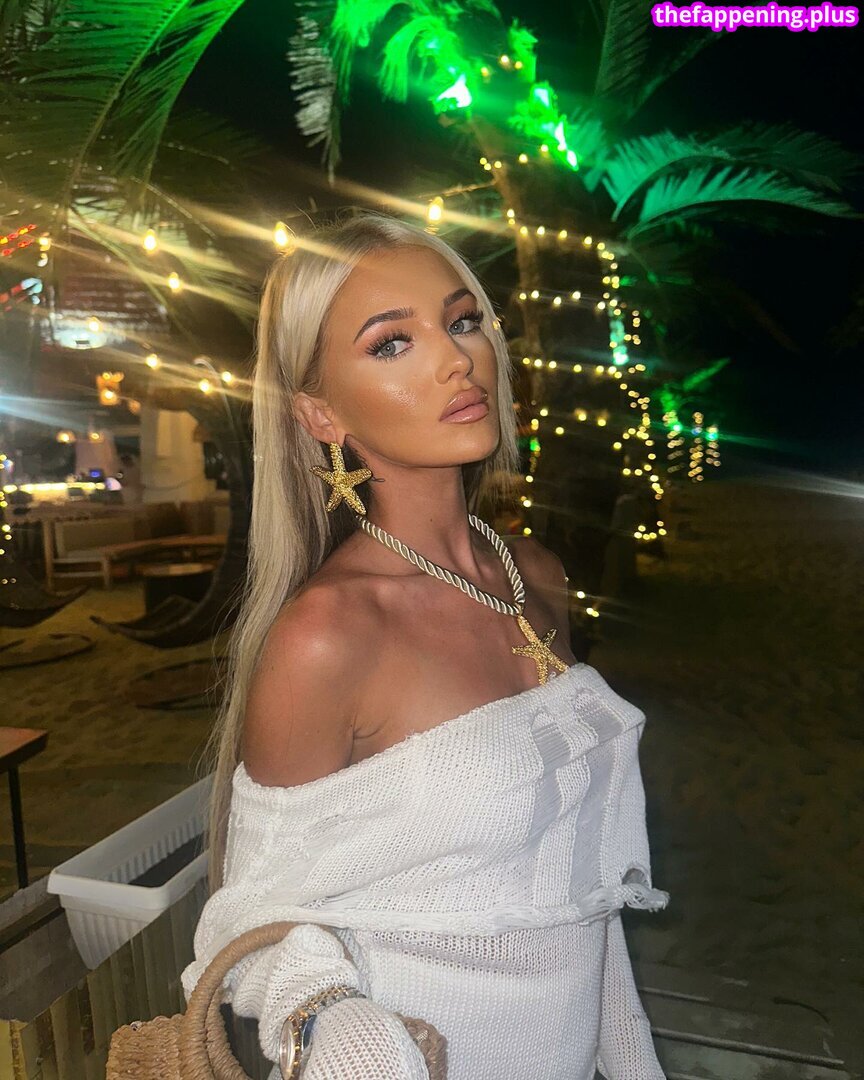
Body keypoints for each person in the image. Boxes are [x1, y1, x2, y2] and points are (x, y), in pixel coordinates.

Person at [181, 211, 670, 1080]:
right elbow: (244, 923)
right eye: (392, 343)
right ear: (320, 412)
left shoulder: (535, 574)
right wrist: (329, 1015)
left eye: (463, 320)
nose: (456, 359)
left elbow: (577, 898)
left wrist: (630, 1059)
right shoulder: (329, 635)